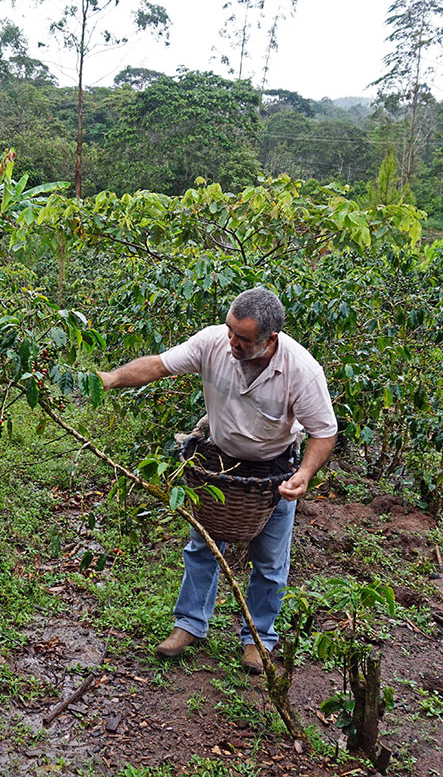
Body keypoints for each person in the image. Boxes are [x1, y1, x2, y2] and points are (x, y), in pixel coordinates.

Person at [96, 287, 337, 674]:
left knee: (271, 562)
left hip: (273, 474)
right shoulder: (213, 343)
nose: (232, 342)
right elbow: (158, 365)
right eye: (230, 331)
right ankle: (189, 625)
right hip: (219, 467)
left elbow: (323, 433)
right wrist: (111, 378)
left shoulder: (302, 371)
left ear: (270, 339)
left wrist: (305, 475)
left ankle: (258, 639)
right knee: (203, 547)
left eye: (243, 338)